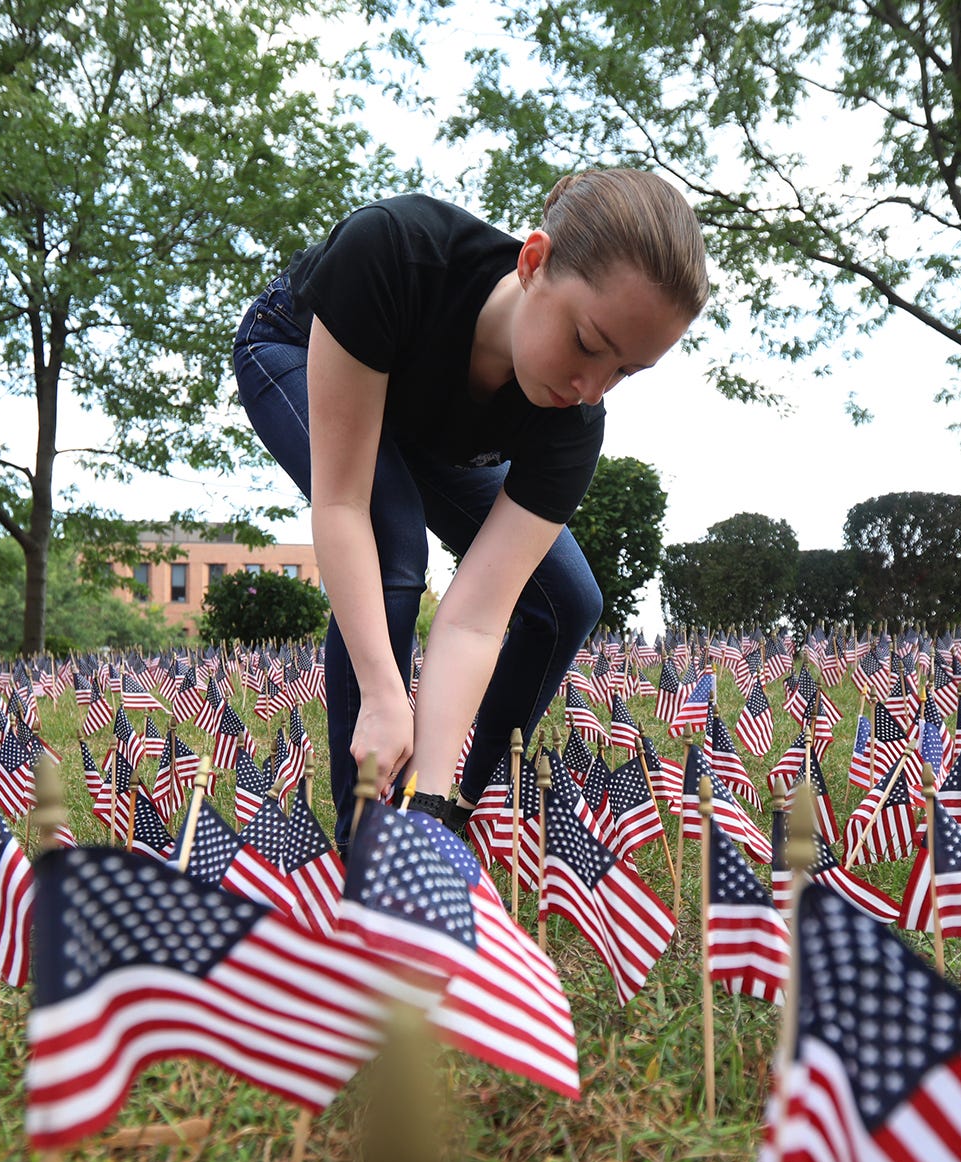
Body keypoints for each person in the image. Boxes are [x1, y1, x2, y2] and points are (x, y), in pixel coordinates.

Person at [231, 172, 708, 843]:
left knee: (567, 599)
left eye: (625, 371)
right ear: (534, 262)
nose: (590, 387)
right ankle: (365, 839)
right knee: (393, 540)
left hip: (430, 430)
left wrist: (429, 784)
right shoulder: (393, 250)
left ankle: (447, 813)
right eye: (587, 343)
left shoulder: (573, 421)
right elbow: (341, 504)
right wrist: (381, 694)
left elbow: (476, 620)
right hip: (297, 347)